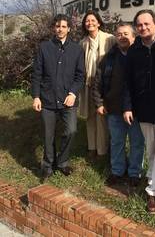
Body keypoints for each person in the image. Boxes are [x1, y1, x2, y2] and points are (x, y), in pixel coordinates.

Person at [123, 9, 155, 214]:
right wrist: (127, 106)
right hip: (143, 109)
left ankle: (154, 192)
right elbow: (128, 82)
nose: (143, 27)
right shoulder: (134, 50)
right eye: (139, 25)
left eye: (147, 24)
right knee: (151, 149)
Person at [31, 14, 85, 179]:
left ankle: (62, 162)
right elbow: (37, 74)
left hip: (68, 100)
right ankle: (47, 165)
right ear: (53, 28)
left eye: (63, 26)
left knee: (71, 131)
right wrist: (36, 96)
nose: (60, 29)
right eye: (57, 26)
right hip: (47, 99)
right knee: (48, 135)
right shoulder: (44, 47)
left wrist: (73, 93)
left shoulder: (77, 49)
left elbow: (80, 75)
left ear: (69, 28)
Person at [92, 23, 145, 186]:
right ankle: (117, 171)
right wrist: (99, 103)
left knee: (137, 142)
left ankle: (135, 173)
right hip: (113, 109)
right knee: (117, 142)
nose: (122, 37)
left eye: (126, 34)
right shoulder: (108, 58)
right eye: (119, 34)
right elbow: (97, 83)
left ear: (134, 37)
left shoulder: (141, 56)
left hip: (136, 110)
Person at [79, 10, 116, 159]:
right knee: (90, 117)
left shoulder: (109, 39)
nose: (90, 23)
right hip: (88, 84)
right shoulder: (83, 43)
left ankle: (102, 150)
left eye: (93, 20)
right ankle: (92, 147)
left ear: (99, 22)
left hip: (103, 85)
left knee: (102, 117)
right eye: (87, 21)